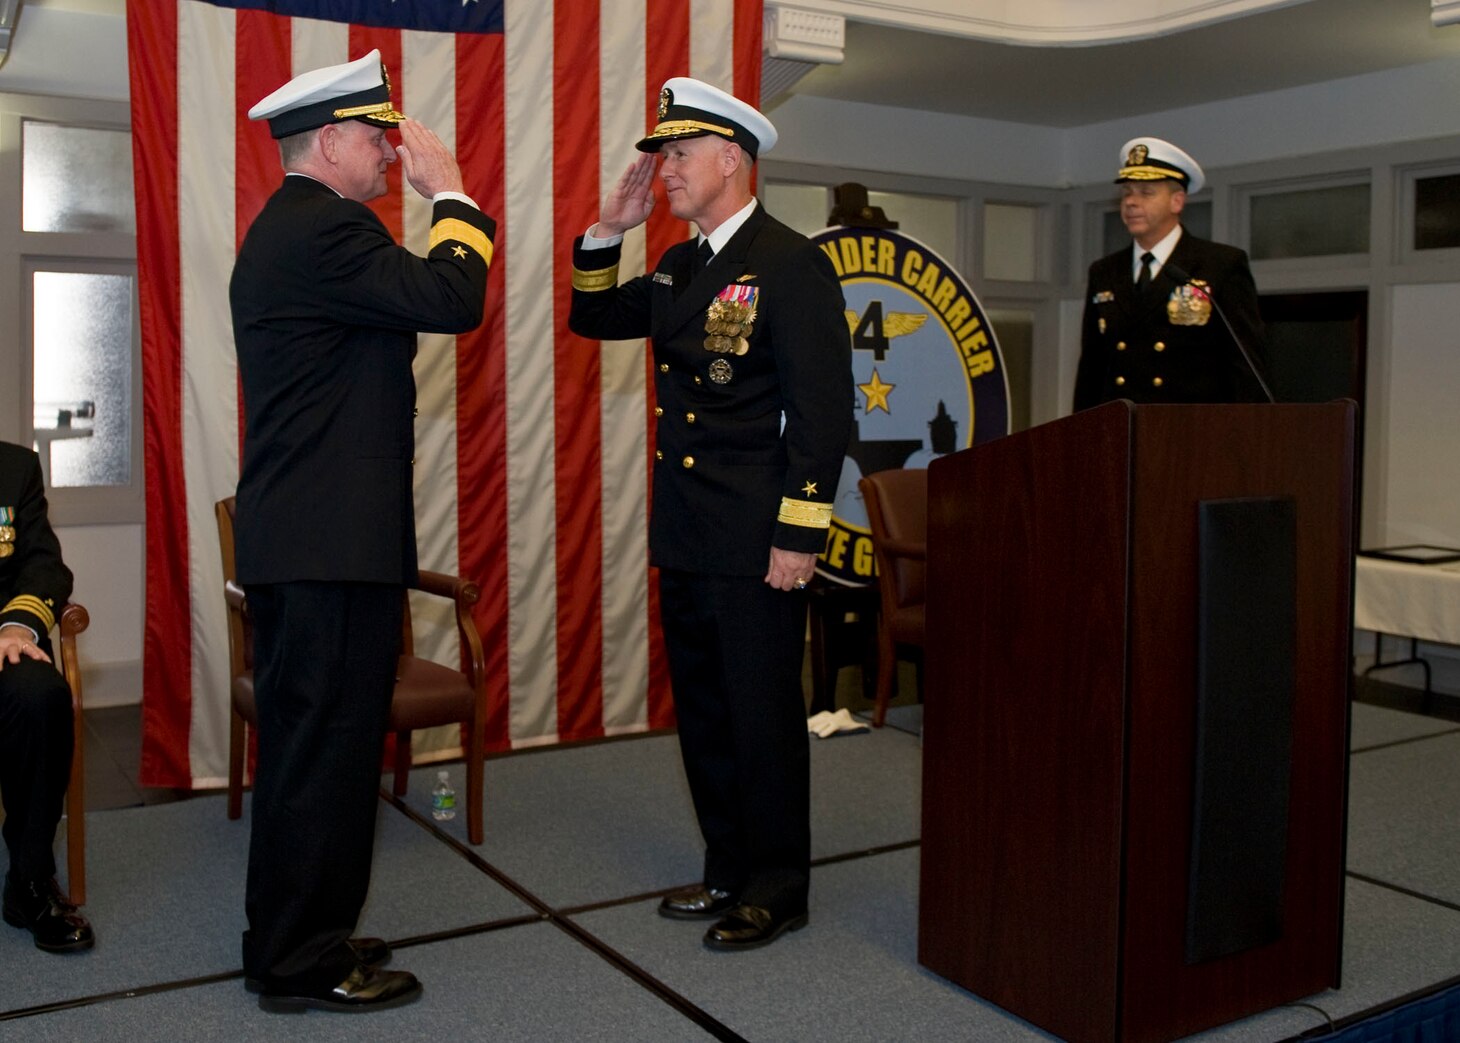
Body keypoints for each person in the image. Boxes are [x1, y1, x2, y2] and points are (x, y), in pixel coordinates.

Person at [230, 50, 495, 1012]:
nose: (391, 151)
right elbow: (453, 298)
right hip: (324, 549)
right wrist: (453, 195)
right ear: (330, 141)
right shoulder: (324, 230)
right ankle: (299, 962)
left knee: (326, 753)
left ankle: (304, 933)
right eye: (375, 136)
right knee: (322, 757)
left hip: (322, 545)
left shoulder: (308, 231)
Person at [569, 78, 853, 951]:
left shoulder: (789, 261)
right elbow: (593, 316)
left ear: (733, 158)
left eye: (678, 157)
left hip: (759, 535)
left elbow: (822, 413)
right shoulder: (679, 263)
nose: (663, 174)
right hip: (690, 526)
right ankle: (728, 864)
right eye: (661, 160)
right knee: (705, 709)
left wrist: (799, 535)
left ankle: (778, 885)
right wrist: (610, 230)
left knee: (762, 711)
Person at [1073, 137, 1269, 411]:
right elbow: (1091, 368)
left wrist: (1247, 440)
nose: (1131, 202)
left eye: (1146, 192)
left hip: (1189, 432)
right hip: (1121, 429)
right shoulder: (1105, 271)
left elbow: (1244, 364)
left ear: (1177, 201)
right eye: (1127, 192)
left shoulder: (1219, 265)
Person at [0, 440, 94, 953]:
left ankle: (29, 883)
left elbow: (44, 566)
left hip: (2, 646)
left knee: (42, 697)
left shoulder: (14, 467)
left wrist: (17, 626)